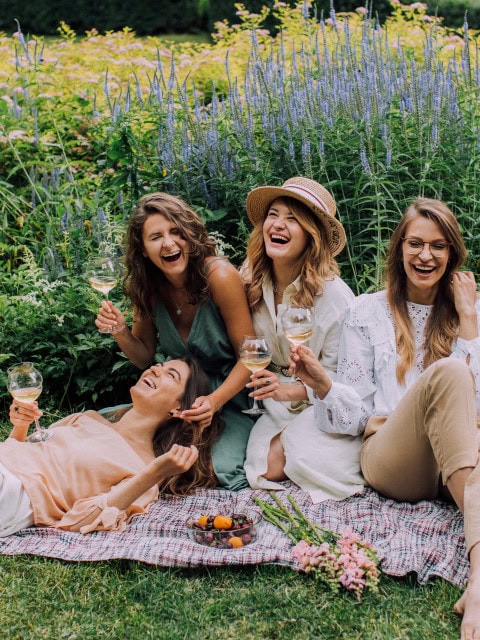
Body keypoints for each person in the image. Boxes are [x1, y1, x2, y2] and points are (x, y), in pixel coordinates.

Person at [289, 198, 480, 638]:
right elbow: (351, 418)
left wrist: (468, 319)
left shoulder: (469, 314)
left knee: (467, 450)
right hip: (395, 460)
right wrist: (323, 385)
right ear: (398, 250)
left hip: (455, 456)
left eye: (438, 246)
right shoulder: (366, 313)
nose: (425, 256)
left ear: (452, 254)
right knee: (450, 372)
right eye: (415, 244)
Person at [95, 192, 255, 491]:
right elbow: (144, 357)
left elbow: (250, 356)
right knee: (105, 432)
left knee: (216, 469)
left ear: (190, 237)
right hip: (175, 399)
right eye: (155, 237)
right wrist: (120, 331)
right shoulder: (147, 287)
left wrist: (214, 401)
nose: (168, 243)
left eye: (176, 232)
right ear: (143, 249)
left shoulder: (219, 276)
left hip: (229, 398)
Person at [241, 176, 365, 503]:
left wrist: (290, 390)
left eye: (293, 219)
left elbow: (346, 381)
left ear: (312, 237)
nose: (279, 225)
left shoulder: (335, 296)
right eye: (274, 214)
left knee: (301, 459)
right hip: (273, 402)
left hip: (319, 404)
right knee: (263, 468)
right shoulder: (252, 277)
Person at [1, 357, 223, 536]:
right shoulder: (87, 418)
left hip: (16, 492)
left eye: (170, 375)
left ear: (179, 408)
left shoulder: (145, 467)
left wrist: (155, 473)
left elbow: (81, 521)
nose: (156, 369)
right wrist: (20, 426)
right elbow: (22, 451)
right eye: (159, 365)